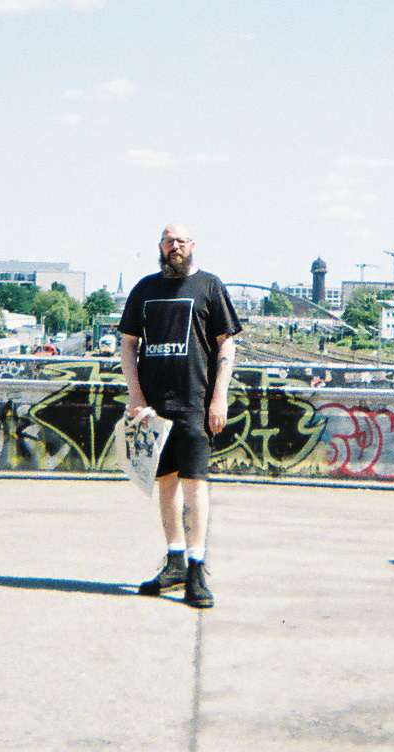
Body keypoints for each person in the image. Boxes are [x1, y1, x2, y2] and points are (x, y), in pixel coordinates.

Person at [118, 222, 240, 609]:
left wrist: (219, 397)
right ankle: (174, 561)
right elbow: (128, 344)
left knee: (195, 486)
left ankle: (196, 568)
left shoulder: (209, 286)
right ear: (160, 246)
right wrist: (136, 396)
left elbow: (226, 344)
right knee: (166, 485)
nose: (175, 247)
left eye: (182, 241)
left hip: (195, 404)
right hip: (154, 408)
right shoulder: (144, 289)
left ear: (193, 246)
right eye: (169, 241)